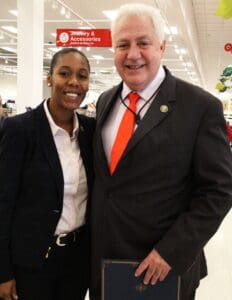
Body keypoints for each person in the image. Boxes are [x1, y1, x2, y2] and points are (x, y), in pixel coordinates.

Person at [90, 3, 232, 300]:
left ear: (162, 46)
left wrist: (170, 252)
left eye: (143, 43)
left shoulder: (200, 107)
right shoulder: (106, 101)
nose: (132, 54)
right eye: (123, 45)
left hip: (162, 268)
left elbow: (219, 191)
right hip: (106, 263)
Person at [0, 48, 95, 300]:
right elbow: (3, 203)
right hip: (31, 263)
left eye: (82, 76)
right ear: (50, 78)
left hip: (76, 261)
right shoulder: (19, 129)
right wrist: (3, 272)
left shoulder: (90, 131)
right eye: (65, 73)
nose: (74, 82)